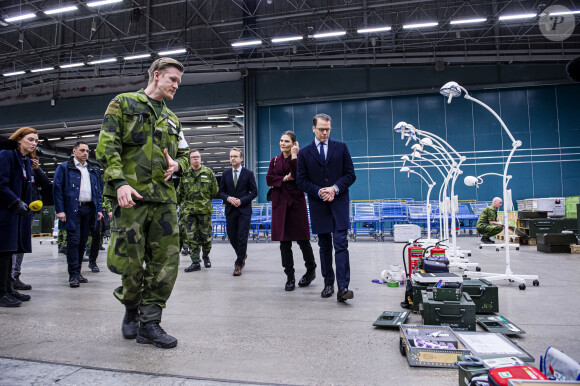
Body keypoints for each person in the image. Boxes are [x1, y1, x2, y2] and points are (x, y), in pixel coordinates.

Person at [96, 57, 190, 349]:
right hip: (131, 199)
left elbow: (185, 155)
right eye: (172, 79)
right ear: (157, 75)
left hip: (164, 200)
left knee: (166, 263)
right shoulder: (123, 104)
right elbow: (107, 145)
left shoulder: (174, 120)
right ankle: (131, 309)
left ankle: (150, 324)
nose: (176, 86)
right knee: (130, 263)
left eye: (178, 82)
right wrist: (119, 182)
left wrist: (178, 166)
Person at [297, 113, 356, 302]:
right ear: (313, 128)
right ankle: (328, 283)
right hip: (318, 204)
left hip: (339, 203)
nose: (325, 133)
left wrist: (334, 188)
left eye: (328, 129)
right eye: (321, 129)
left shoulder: (341, 147)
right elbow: (301, 181)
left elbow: (350, 175)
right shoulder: (305, 153)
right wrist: (319, 191)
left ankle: (343, 287)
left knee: (341, 244)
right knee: (324, 246)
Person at [266, 131, 317, 291]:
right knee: (284, 242)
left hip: (296, 203)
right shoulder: (274, 161)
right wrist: (285, 179)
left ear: (294, 143)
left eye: (286, 141)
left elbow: (298, 175)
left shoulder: (300, 158)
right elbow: (269, 179)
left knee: (303, 240)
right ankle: (290, 277)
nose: (282, 143)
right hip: (280, 203)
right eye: (281, 140)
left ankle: (311, 270)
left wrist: (295, 156)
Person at [53, 141, 104, 288]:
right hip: (72, 210)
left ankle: (78, 272)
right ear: (74, 151)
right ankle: (73, 274)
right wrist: (60, 210)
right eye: (82, 150)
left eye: (87, 151)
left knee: (82, 241)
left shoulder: (92, 169)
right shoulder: (64, 168)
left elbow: (98, 192)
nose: (85, 153)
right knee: (73, 241)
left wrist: (99, 209)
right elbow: (57, 189)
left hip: (89, 209)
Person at [0, 127, 39, 307]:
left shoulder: (25, 161)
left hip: (18, 214)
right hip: (5, 211)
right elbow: (1, 184)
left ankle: (8, 289)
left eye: (36, 141)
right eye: (30, 139)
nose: (33, 143)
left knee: (10, 252)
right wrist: (15, 202)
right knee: (4, 253)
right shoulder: (7, 155)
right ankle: (1, 293)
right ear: (19, 139)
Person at [217, 147, 258, 276]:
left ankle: (238, 263)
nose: (232, 158)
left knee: (242, 236)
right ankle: (242, 254)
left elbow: (254, 192)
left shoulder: (248, 173)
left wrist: (242, 200)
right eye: (231, 156)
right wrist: (228, 198)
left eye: (235, 156)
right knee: (232, 236)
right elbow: (221, 192)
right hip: (230, 210)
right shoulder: (225, 174)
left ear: (241, 158)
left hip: (244, 210)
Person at [12, 155, 50, 291]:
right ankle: (8, 278)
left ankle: (15, 276)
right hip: (15, 209)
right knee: (11, 245)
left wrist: (37, 168)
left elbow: (46, 183)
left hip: (29, 210)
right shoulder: (14, 163)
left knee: (21, 245)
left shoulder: (32, 168)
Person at [177, 150, 218, 272]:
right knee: (191, 237)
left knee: (206, 237)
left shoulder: (208, 173)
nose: (196, 159)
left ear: (200, 158)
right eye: (193, 157)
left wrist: (203, 200)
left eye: (197, 157)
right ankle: (195, 262)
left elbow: (214, 191)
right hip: (189, 212)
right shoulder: (185, 174)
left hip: (204, 211)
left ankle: (205, 256)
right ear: (190, 160)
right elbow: (180, 193)